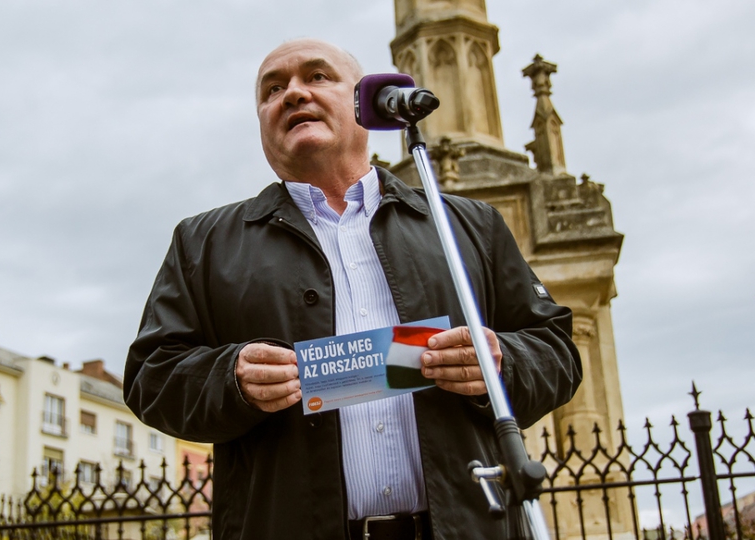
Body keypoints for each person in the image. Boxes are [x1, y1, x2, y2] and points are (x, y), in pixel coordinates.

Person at [124, 38, 581, 540]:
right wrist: (229, 378)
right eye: (272, 89)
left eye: (317, 76)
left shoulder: (468, 226)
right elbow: (151, 376)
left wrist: (500, 363)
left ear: (366, 101)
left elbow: (556, 350)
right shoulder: (204, 243)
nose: (293, 93)